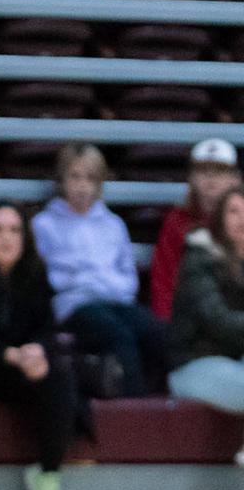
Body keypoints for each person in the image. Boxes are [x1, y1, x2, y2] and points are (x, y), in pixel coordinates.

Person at [33, 142, 169, 398]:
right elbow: (53, 280)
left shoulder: (113, 224)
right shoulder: (44, 224)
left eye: (91, 178)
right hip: (75, 307)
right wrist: (94, 283)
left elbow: (128, 279)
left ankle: (157, 400)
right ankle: (133, 411)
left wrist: (92, 281)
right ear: (62, 180)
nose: (83, 185)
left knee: (156, 331)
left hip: (116, 301)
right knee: (120, 337)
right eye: (75, 176)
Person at [0, 203, 79, 490]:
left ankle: (48, 475)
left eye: (14, 230)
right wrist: (8, 353)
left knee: (59, 375)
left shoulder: (36, 273)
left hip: (21, 368)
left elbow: (47, 328)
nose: (6, 238)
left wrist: (36, 350)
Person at [166, 187, 244, 462]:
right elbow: (216, 319)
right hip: (193, 364)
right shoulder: (200, 256)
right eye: (234, 211)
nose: (241, 219)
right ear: (220, 218)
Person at [150, 138, 241, 321]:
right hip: (187, 321)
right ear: (191, 176)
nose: (210, 178)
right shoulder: (176, 221)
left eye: (220, 171)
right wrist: (166, 323)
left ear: (235, 177)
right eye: (202, 170)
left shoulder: (241, 219)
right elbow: (164, 277)